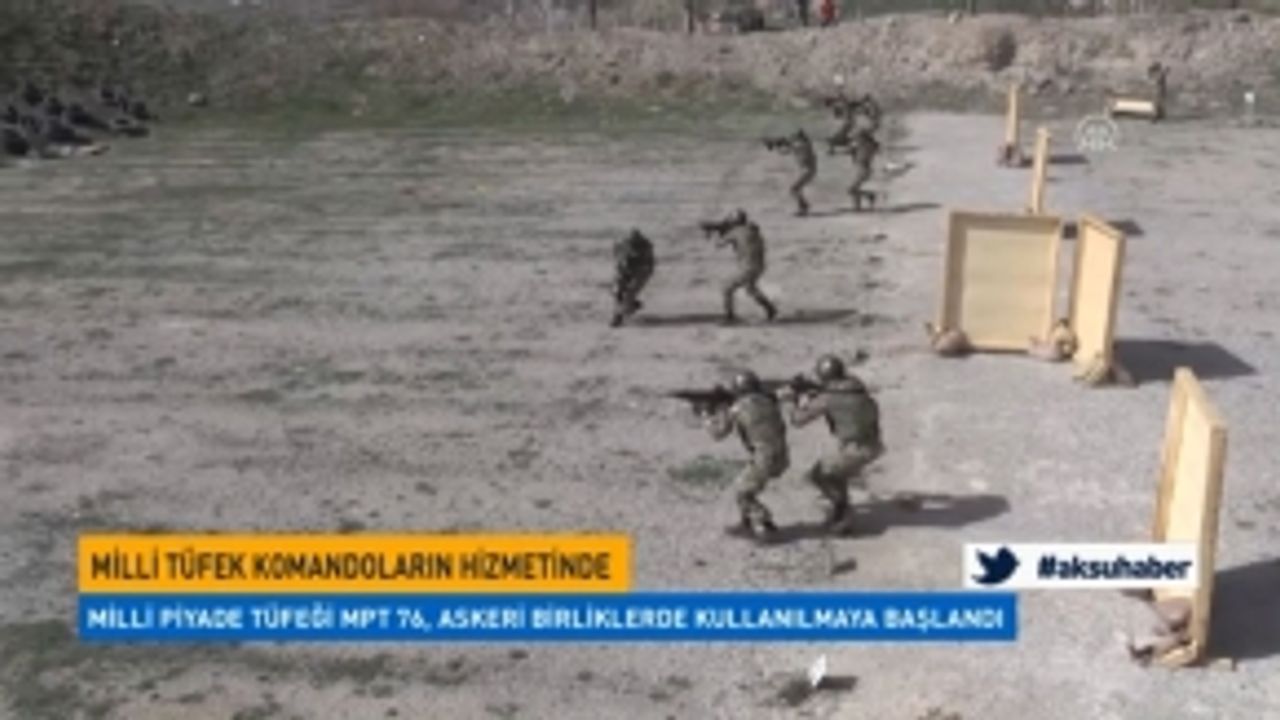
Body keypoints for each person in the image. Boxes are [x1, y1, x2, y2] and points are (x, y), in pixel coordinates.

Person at [782, 355, 884, 534]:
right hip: (872, 443)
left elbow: (797, 420)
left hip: (856, 449)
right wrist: (816, 392)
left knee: (819, 475)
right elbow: (840, 397)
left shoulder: (828, 398)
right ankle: (840, 512)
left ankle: (843, 515)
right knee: (837, 474)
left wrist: (791, 400)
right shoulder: (857, 387)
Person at [703, 370, 790, 542]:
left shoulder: (738, 408)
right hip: (782, 456)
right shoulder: (769, 402)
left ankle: (764, 524)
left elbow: (718, 434)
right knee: (744, 482)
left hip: (763, 458)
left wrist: (707, 416)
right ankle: (747, 523)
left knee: (742, 492)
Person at [711, 210, 778, 324]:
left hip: (747, 267)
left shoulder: (735, 232)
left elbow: (718, 245)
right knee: (751, 289)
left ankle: (730, 317)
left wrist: (719, 232)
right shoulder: (752, 230)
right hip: (759, 266)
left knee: (726, 288)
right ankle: (771, 309)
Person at [610, 229, 655, 327]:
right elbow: (618, 259)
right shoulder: (621, 246)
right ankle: (627, 308)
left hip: (641, 271)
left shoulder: (645, 249)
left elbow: (647, 267)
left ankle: (620, 315)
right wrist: (621, 267)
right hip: (625, 269)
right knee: (617, 291)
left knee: (629, 292)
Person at [766, 130, 817, 216]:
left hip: (808, 171)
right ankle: (804, 205)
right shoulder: (803, 145)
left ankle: (803, 207)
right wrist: (776, 146)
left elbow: (791, 145)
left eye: (796, 138)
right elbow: (784, 152)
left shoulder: (804, 145)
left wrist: (777, 143)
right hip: (807, 171)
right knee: (796, 190)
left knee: (794, 189)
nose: (794, 139)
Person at [847, 128, 880, 211]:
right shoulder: (867, 146)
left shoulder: (865, 146)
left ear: (863, 138)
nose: (856, 139)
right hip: (863, 168)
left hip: (863, 169)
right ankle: (860, 205)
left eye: (857, 137)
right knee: (854, 189)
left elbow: (858, 155)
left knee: (852, 189)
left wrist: (852, 150)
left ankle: (866, 199)